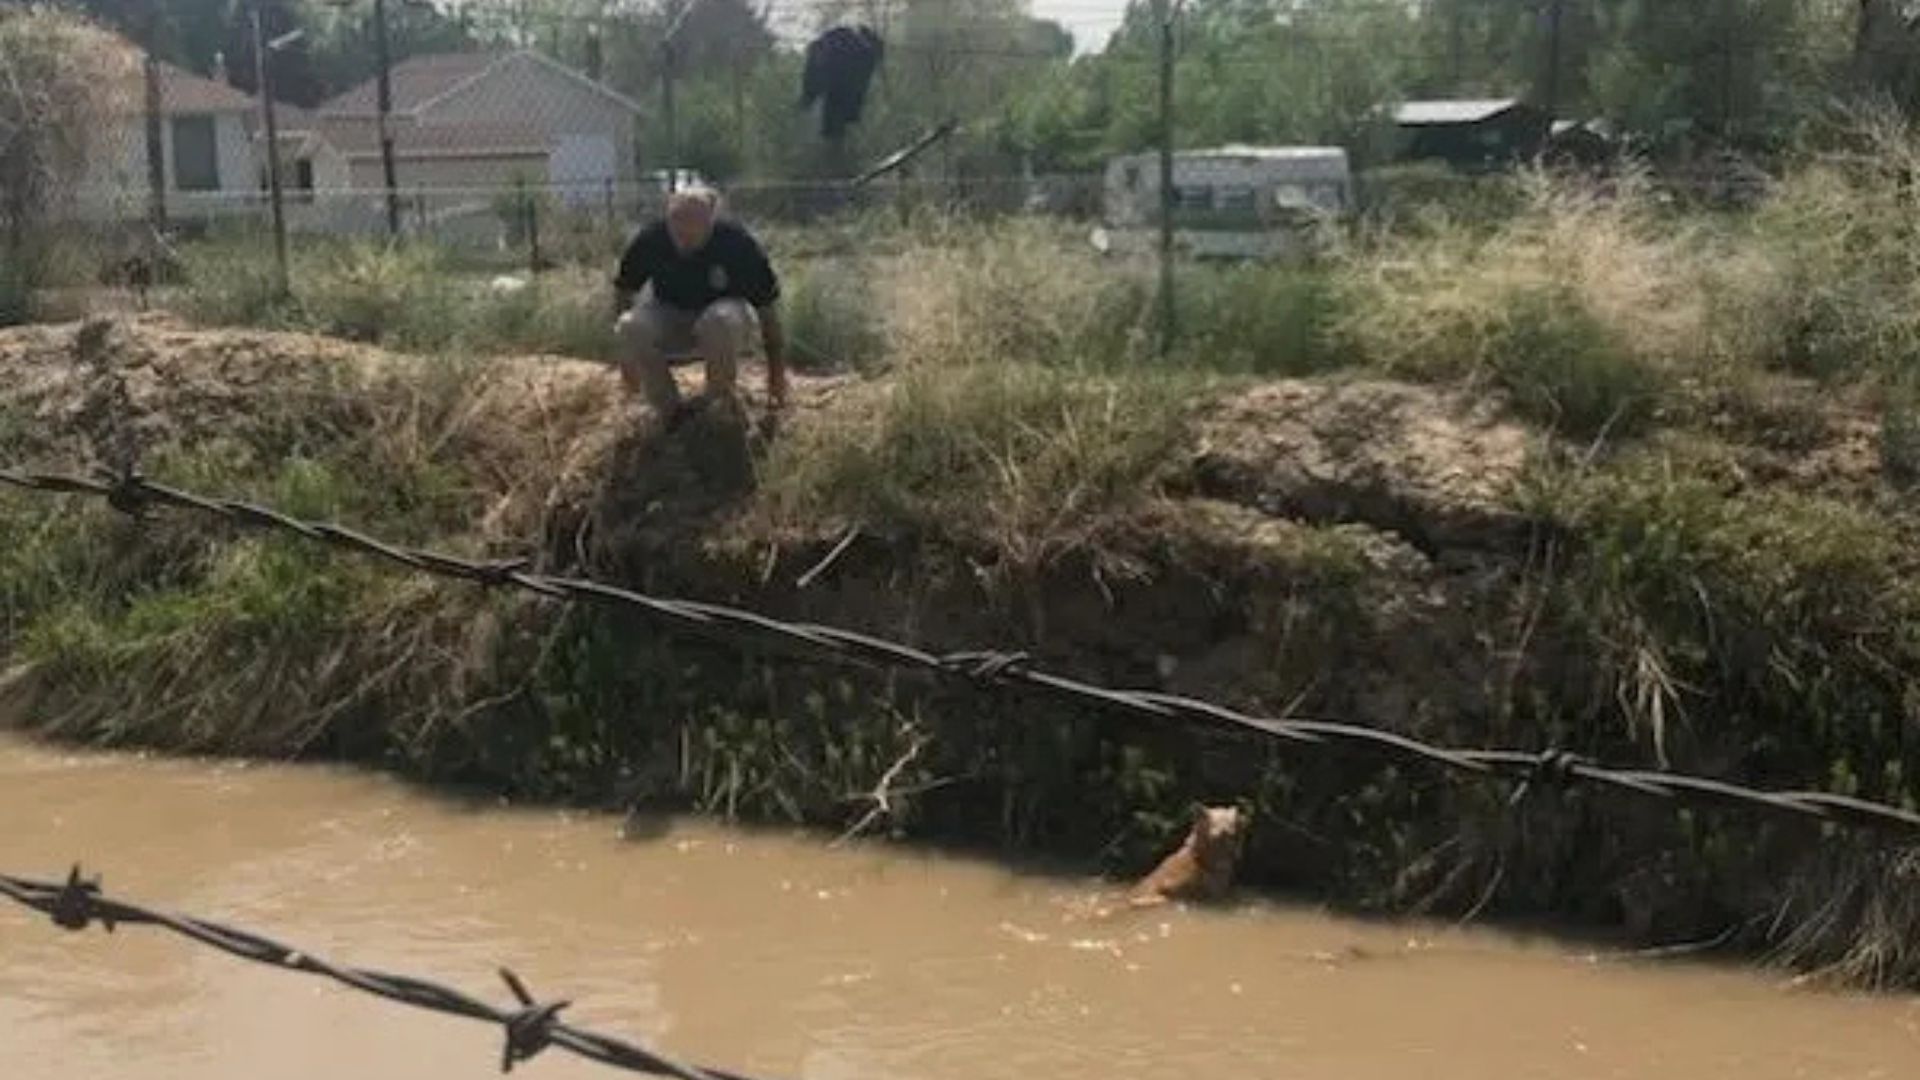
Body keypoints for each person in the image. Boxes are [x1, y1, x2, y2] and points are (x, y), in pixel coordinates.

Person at [611, 185, 788, 428]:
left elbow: (767, 311)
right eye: (678, 229)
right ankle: (669, 411)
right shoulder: (651, 239)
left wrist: (776, 376)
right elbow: (624, 291)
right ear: (669, 220)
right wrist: (626, 360)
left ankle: (717, 405)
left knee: (717, 321)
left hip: (726, 320)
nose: (685, 238)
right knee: (629, 326)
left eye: (694, 232)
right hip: (670, 313)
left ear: (711, 223)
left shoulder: (737, 243)